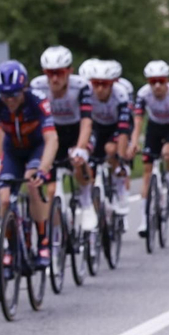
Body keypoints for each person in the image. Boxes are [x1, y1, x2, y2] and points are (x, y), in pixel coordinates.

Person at [0, 61, 59, 265]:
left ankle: (43, 241)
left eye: (14, 95)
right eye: (4, 95)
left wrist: (43, 169)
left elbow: (52, 138)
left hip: (36, 147)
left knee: (32, 183)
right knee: (4, 199)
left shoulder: (37, 100)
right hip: (12, 150)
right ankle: (11, 246)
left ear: (23, 89)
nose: (9, 100)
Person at [31, 46, 97, 233]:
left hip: (77, 130)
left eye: (59, 73)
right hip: (53, 133)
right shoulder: (37, 86)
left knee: (79, 161)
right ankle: (58, 235)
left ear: (69, 71)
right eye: (49, 73)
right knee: (51, 190)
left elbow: (86, 121)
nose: (54, 79)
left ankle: (86, 204)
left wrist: (81, 147)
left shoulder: (82, 86)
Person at [132, 60, 169, 236]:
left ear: (167, 80)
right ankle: (144, 219)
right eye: (152, 81)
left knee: (167, 153)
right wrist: (134, 143)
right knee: (147, 173)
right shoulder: (143, 94)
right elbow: (138, 120)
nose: (157, 86)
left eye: (161, 81)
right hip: (154, 128)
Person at [81, 59, 135, 233]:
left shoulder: (121, 94)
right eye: (95, 84)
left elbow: (124, 127)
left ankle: (120, 193)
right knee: (88, 163)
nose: (99, 89)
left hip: (116, 126)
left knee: (111, 151)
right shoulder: (86, 93)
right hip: (96, 126)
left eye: (104, 84)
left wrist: (120, 157)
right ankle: (94, 207)